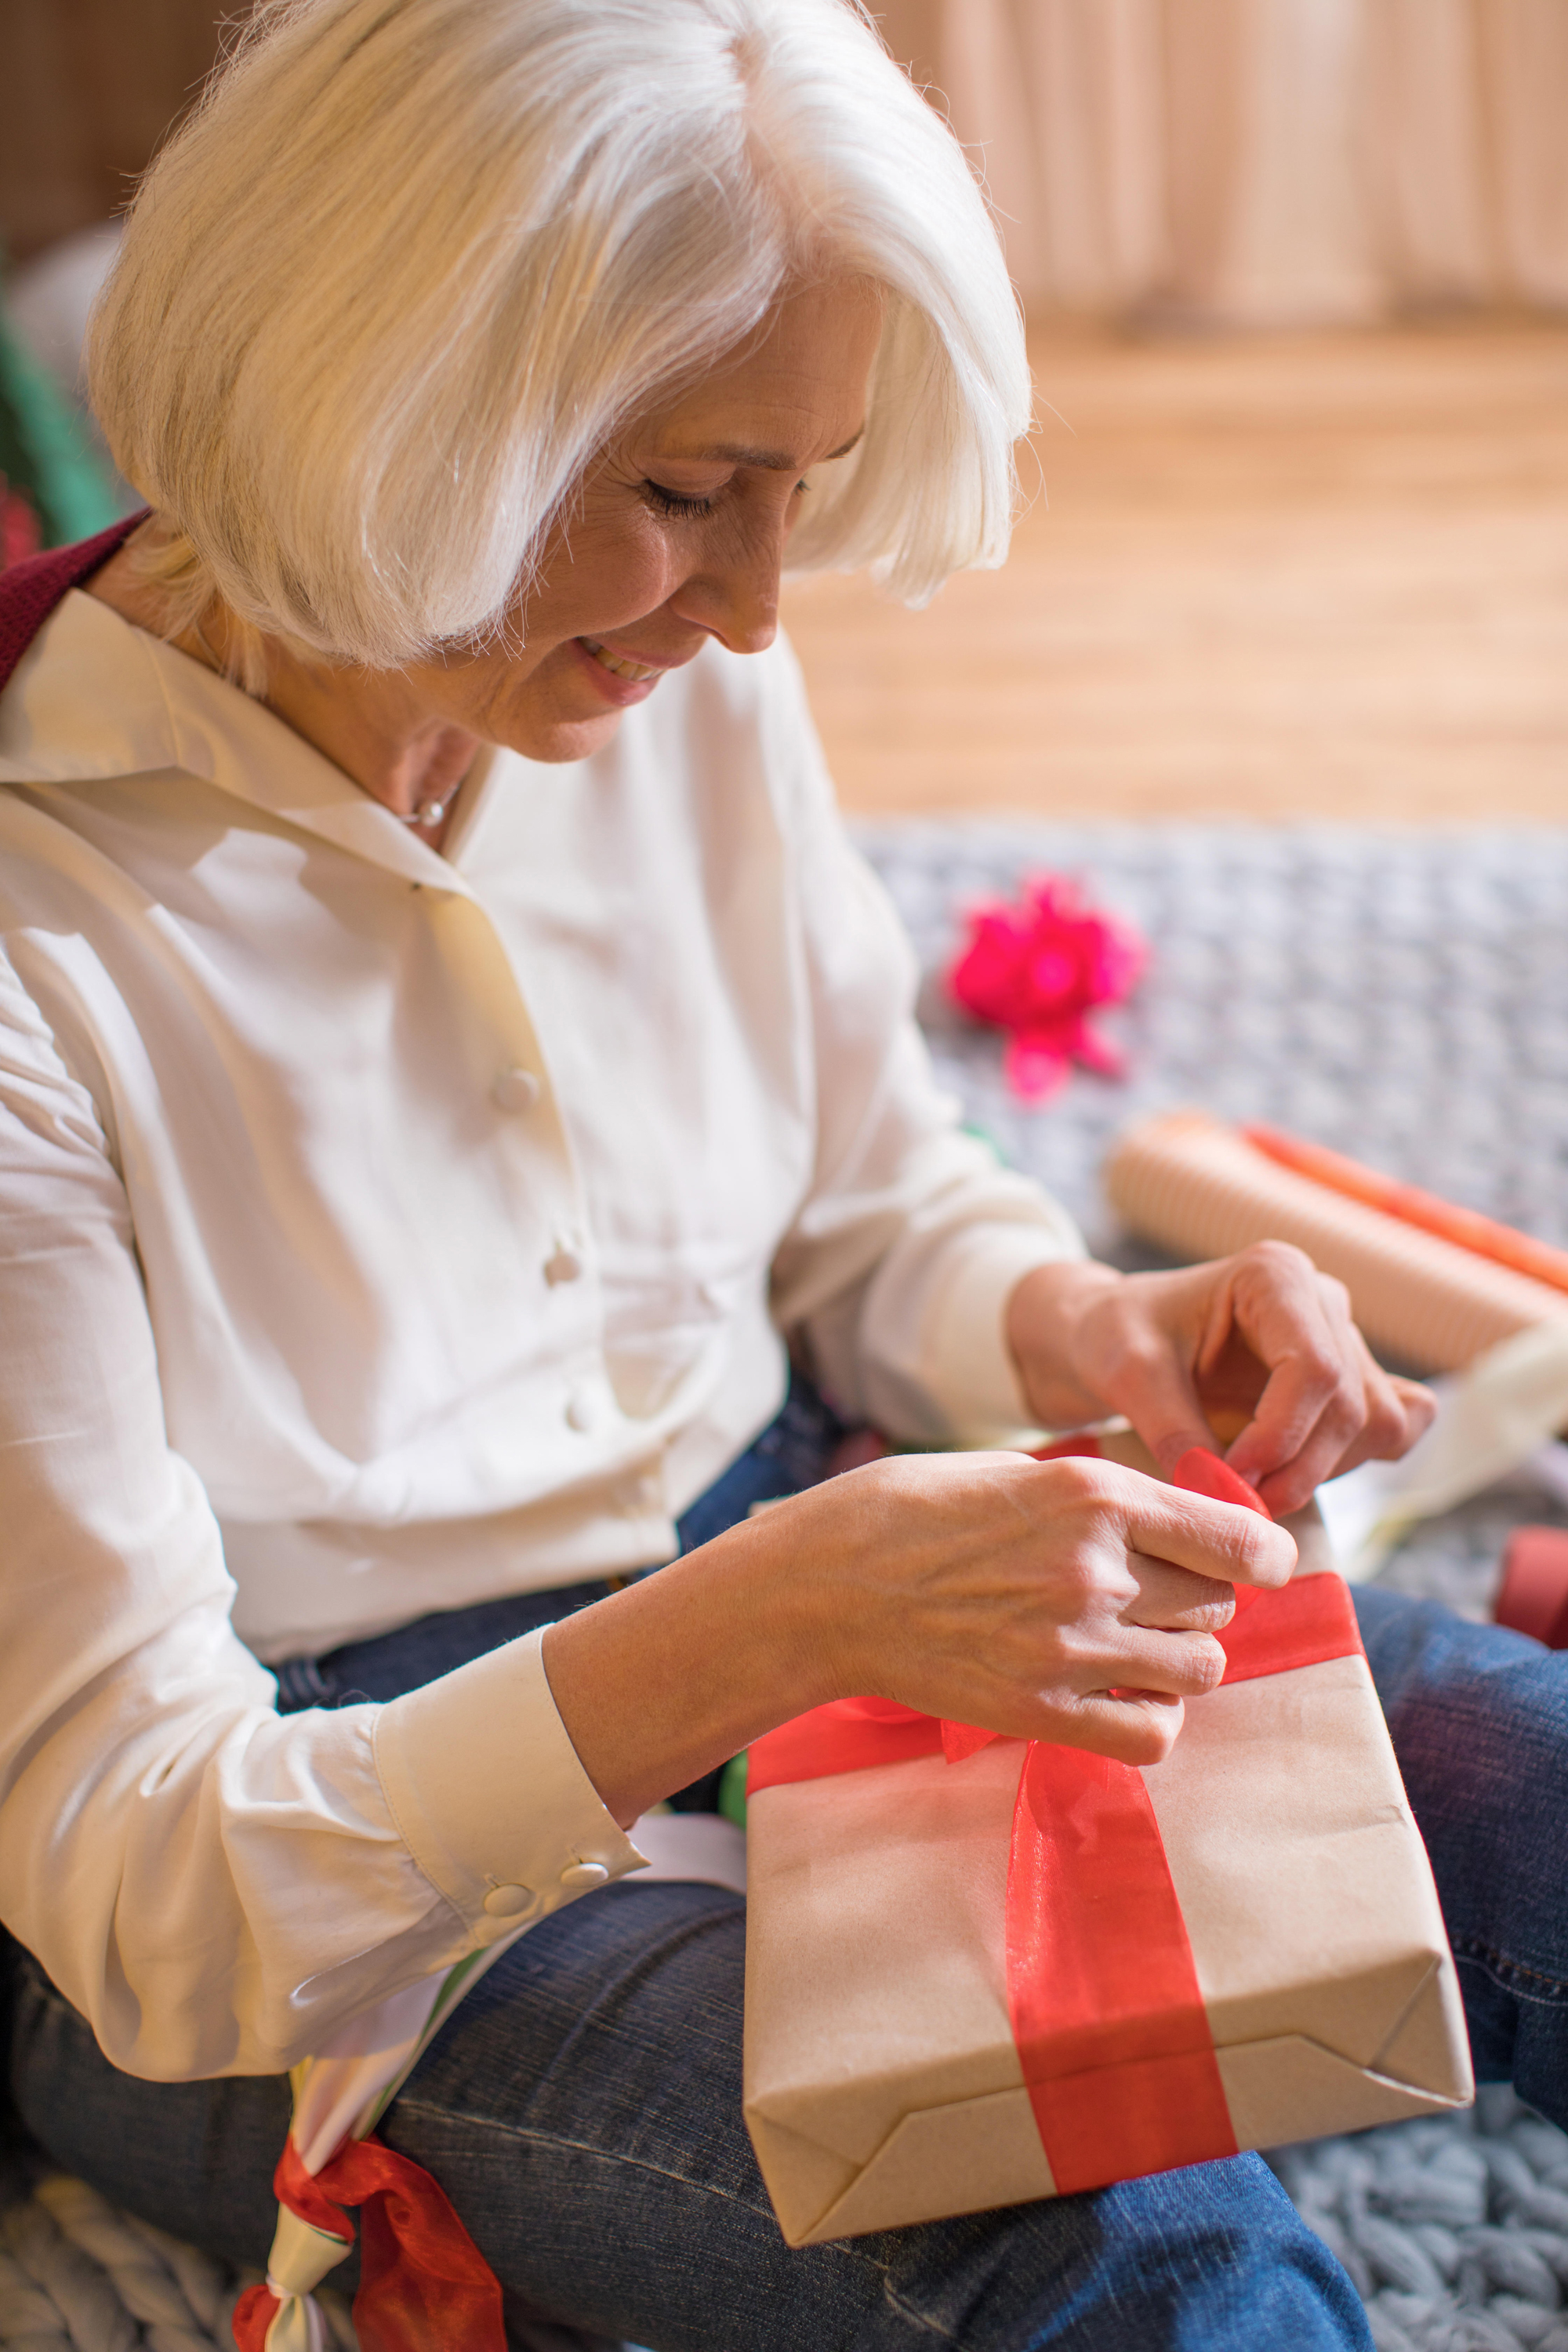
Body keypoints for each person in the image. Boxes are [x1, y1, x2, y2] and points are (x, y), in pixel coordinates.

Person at [0, 3, 1562, 2346]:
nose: (748, 608)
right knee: (1114, 2233)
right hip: (332, 1895)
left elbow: (862, 1191)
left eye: (794, 491)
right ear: (403, 401)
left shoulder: (650, 660)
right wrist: (768, 1625)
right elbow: (146, 1890)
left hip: (793, 1574)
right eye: (682, 491)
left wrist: (1077, 1328)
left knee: (1528, 1789)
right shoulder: (42, 954)